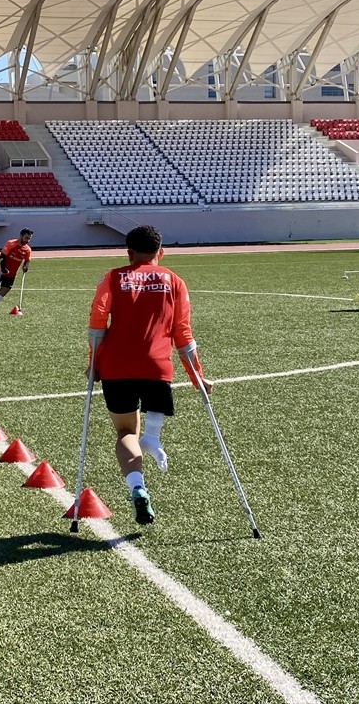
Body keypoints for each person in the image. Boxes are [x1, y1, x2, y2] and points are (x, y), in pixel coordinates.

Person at [87, 225, 209, 526]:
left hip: (117, 367)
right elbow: (183, 334)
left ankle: (137, 486)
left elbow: (97, 322)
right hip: (157, 367)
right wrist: (197, 378)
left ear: (129, 253)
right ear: (161, 251)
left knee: (125, 433)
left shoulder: (113, 277)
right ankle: (153, 438)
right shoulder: (175, 281)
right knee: (145, 426)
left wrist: (93, 363)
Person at [0, 229, 33, 315]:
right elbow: (2, 257)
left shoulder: (27, 249)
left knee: (4, 291)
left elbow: (27, 261)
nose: (27, 240)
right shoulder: (10, 243)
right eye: (26, 238)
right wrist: (3, 269)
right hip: (0, 270)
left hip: (12, 274)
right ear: (21, 235)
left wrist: (26, 267)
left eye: (29, 238)